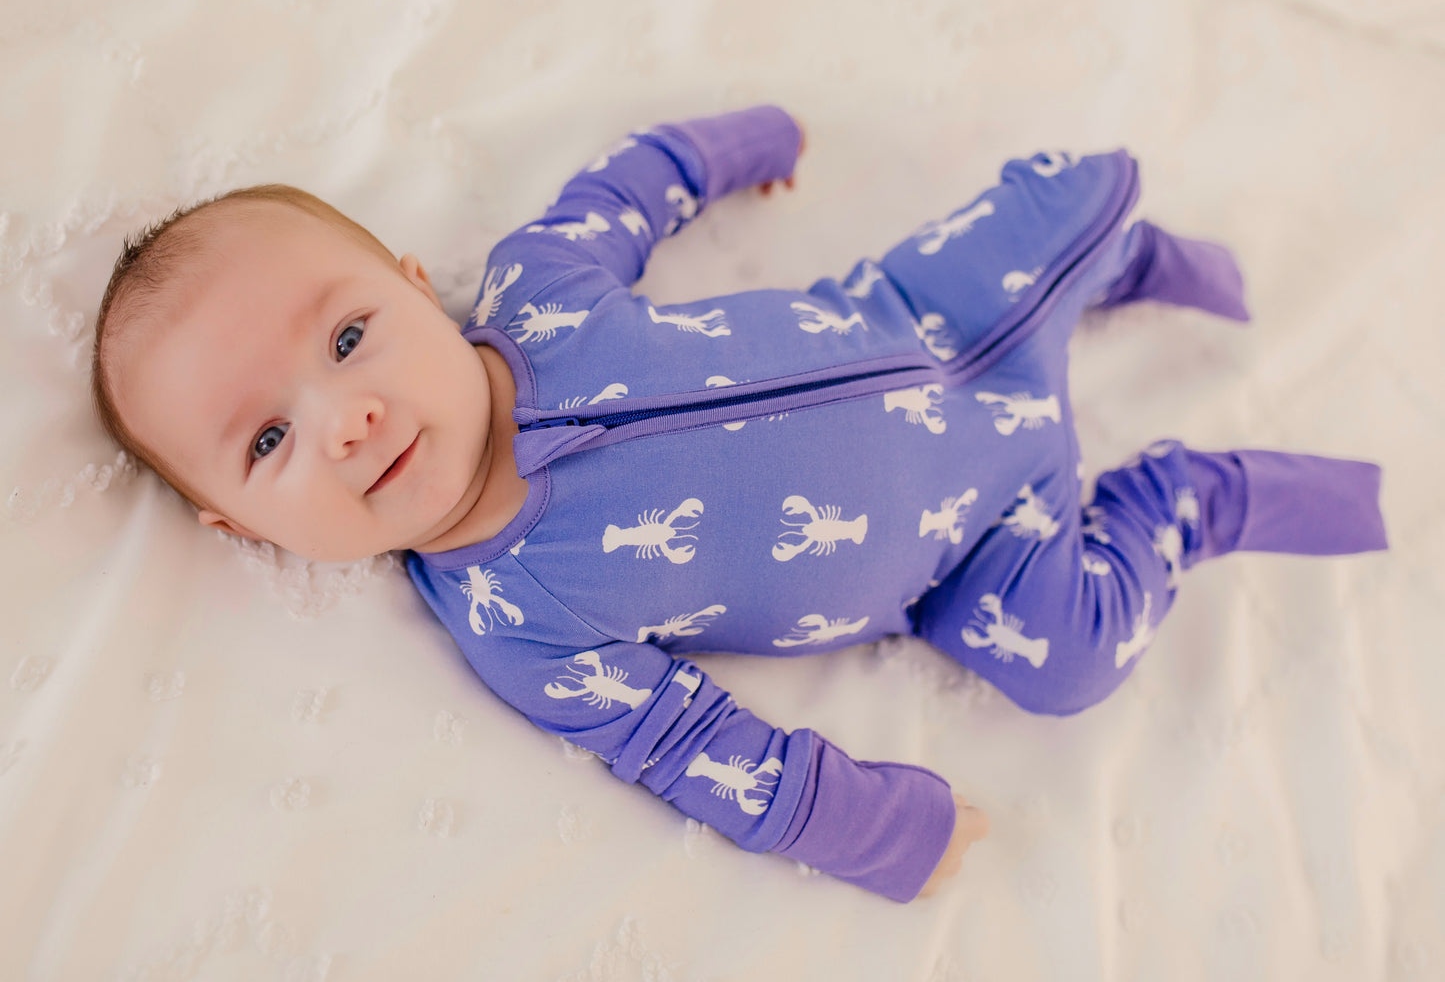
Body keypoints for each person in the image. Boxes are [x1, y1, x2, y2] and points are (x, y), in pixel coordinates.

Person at [89, 105, 1387, 903]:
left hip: (926, 312)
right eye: (266, 439)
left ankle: (1128, 264)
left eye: (349, 335)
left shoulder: (536, 293)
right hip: (963, 557)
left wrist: (739, 143)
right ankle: (1201, 499)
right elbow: (689, 748)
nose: (344, 416)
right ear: (242, 527)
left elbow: (617, 197)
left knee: (1088, 186)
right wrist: (875, 829)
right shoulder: (519, 622)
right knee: (1069, 658)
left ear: (418, 282)